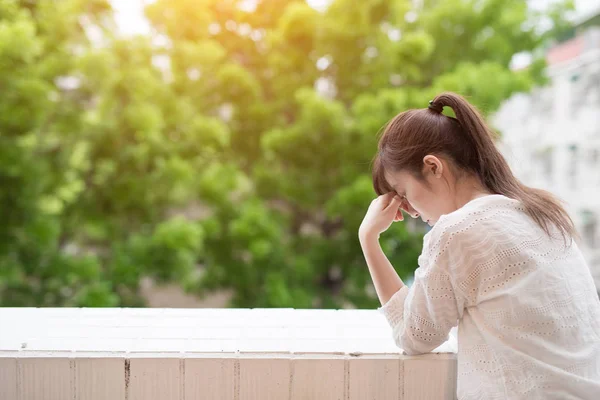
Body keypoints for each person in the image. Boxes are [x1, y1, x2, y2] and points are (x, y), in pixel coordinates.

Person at [358, 92, 600, 399]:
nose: (411, 212)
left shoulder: (458, 232)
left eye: (404, 194)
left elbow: (414, 336)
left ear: (433, 167)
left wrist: (368, 240)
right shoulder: (541, 213)